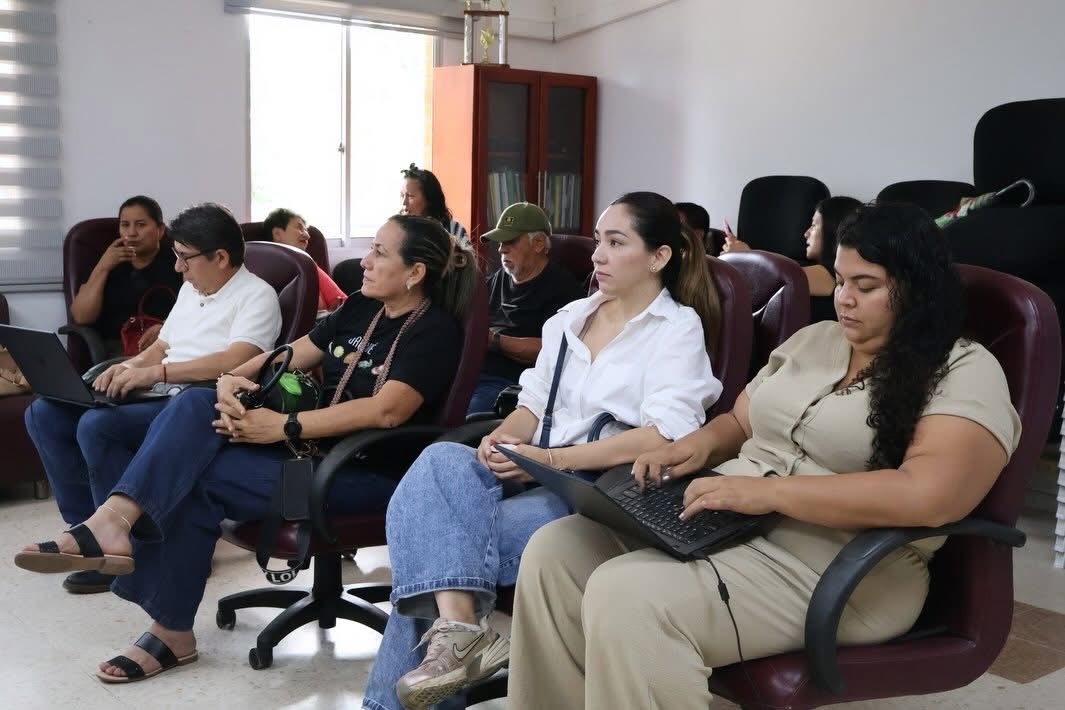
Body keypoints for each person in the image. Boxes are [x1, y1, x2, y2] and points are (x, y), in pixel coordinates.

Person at [505, 202, 1021, 709]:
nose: (843, 299)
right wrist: (692, 447)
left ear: (917, 287)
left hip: (838, 566)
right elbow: (739, 422)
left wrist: (767, 493)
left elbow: (929, 496)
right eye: (840, 281)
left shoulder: (961, 370)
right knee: (557, 550)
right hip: (729, 525)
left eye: (866, 287)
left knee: (630, 598)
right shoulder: (815, 340)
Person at [14, 214, 477, 684]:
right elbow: (289, 354)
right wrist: (233, 379)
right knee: (196, 405)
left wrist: (282, 426)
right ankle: (116, 529)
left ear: (415, 272)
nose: (365, 261)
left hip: (360, 476)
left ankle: (161, 615)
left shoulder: (433, 330)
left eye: (380, 252)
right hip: (309, 457)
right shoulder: (362, 307)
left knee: (192, 477)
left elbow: (388, 411)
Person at [363, 191, 725, 710]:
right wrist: (503, 438)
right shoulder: (570, 318)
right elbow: (532, 406)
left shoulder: (676, 330)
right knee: (441, 461)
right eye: (598, 241)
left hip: (596, 491)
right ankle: (461, 631)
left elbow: (664, 437)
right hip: (537, 469)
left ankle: (424, 669)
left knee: (437, 544)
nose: (597, 255)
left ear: (658, 257)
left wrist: (552, 461)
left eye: (616, 243)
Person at [23, 203, 282, 594]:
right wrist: (128, 368)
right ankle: (86, 535)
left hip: (196, 402)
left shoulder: (256, 295)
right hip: (158, 389)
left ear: (220, 257)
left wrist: (154, 373)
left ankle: (129, 546)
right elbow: (162, 346)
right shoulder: (192, 287)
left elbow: (237, 360)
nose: (178, 267)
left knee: (98, 426)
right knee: (45, 413)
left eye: (184, 258)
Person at [468, 201, 583, 415]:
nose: (501, 249)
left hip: (511, 385)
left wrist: (495, 341)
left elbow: (553, 350)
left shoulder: (563, 290)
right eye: (500, 242)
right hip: (472, 373)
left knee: (465, 416)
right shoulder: (497, 279)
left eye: (510, 241)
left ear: (538, 243)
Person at [69, 195, 183, 357]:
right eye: (125, 225)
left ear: (160, 230)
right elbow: (81, 317)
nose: (131, 233)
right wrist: (102, 267)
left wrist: (166, 327)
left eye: (141, 225)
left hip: (167, 347)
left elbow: (197, 310)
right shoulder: (108, 261)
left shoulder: (179, 263)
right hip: (117, 350)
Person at [722, 196, 862, 322]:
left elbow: (775, 279)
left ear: (832, 230)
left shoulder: (829, 275)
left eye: (814, 226)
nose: (806, 233)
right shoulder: (810, 269)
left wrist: (745, 256)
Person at [263, 207, 347, 312]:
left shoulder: (309, 265)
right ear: (277, 234)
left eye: (306, 230)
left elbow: (343, 302)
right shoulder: (262, 270)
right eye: (299, 228)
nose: (307, 236)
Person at [401, 163, 470, 248]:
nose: (404, 203)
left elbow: (467, 256)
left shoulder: (454, 229)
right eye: (402, 196)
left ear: (429, 198)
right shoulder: (398, 231)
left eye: (410, 196)